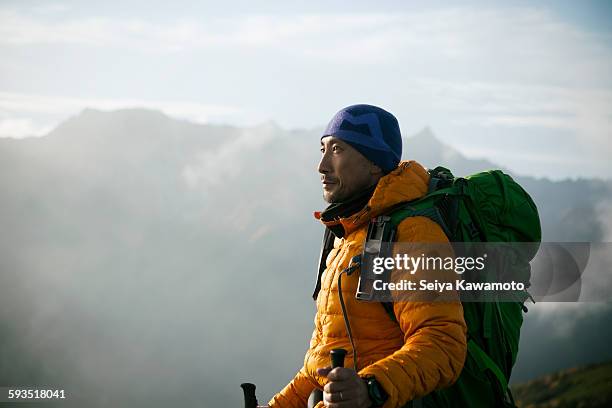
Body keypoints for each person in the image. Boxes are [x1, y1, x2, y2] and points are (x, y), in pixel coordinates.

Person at [268, 104, 467, 408]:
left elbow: (443, 345)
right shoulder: (347, 238)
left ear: (374, 163)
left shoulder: (413, 233)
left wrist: (370, 388)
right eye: (322, 149)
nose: (321, 166)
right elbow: (321, 363)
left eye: (337, 150)